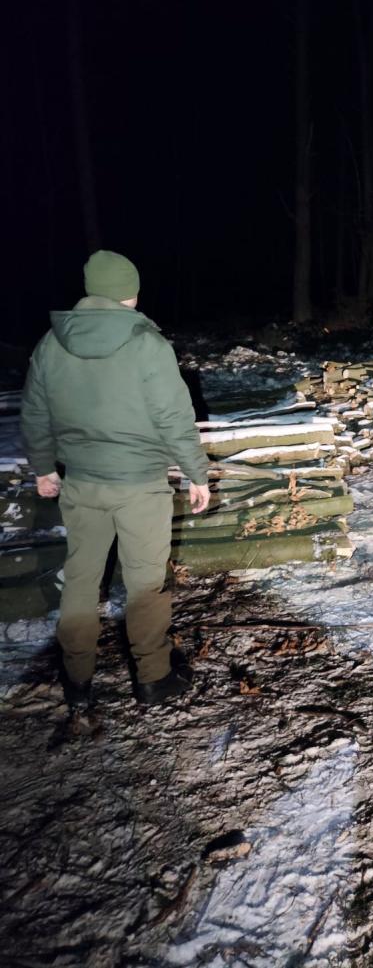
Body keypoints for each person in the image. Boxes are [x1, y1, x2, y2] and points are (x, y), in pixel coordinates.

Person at [20, 250, 210, 707]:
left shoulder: (51, 343)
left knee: (81, 579)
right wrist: (196, 473)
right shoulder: (147, 344)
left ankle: (77, 681)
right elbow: (173, 417)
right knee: (145, 583)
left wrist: (44, 467)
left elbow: (35, 412)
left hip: (82, 483)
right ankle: (153, 677)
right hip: (140, 486)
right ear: (132, 292)